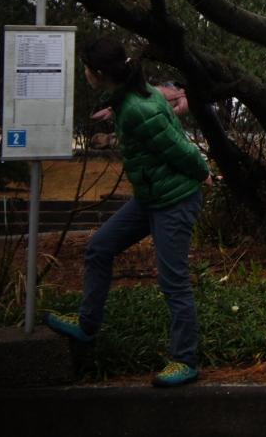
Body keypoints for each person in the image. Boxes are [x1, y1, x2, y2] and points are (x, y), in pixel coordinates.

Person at [44, 36, 211, 388]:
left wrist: (203, 171)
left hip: (175, 199)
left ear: (98, 72)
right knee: (99, 247)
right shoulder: (130, 97)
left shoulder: (138, 108)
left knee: (173, 281)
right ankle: (87, 324)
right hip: (151, 197)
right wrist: (115, 110)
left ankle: (185, 360)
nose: (85, 73)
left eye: (86, 68)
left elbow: (180, 149)